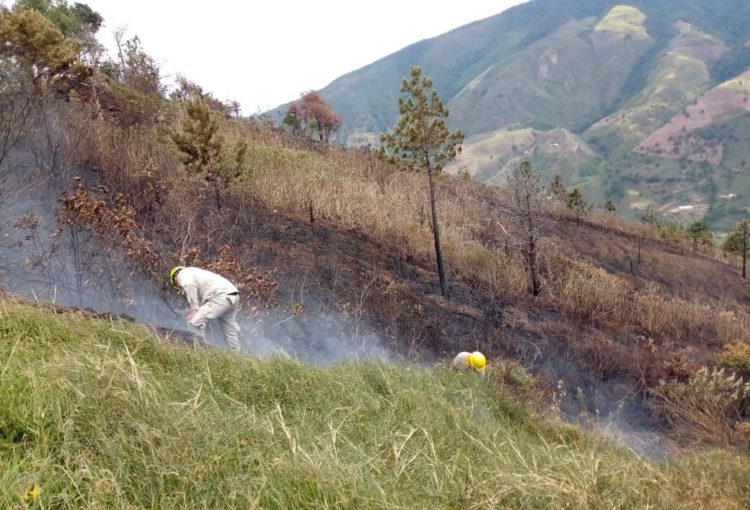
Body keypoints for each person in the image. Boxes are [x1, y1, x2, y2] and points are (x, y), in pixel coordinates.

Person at [169, 266, 241, 351]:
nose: (182, 288)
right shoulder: (198, 275)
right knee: (229, 330)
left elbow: (189, 285)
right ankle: (236, 354)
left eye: (179, 286)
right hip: (232, 296)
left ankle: (201, 351)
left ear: (175, 279)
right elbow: (203, 308)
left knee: (194, 322)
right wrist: (184, 313)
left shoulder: (183, 273)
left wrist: (194, 309)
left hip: (220, 296)